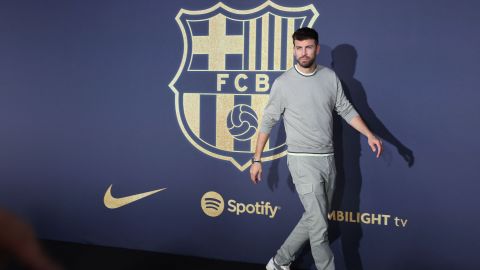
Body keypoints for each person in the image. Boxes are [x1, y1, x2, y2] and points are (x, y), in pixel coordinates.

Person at [249, 27, 383, 270]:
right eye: (298, 48)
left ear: (317, 49)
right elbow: (268, 122)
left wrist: (369, 135)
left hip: (328, 159)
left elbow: (346, 109)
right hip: (302, 162)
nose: (303, 52)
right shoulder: (283, 83)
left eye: (308, 47)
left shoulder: (330, 77)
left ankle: (279, 261)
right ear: (293, 50)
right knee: (320, 229)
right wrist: (257, 159)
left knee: (315, 218)